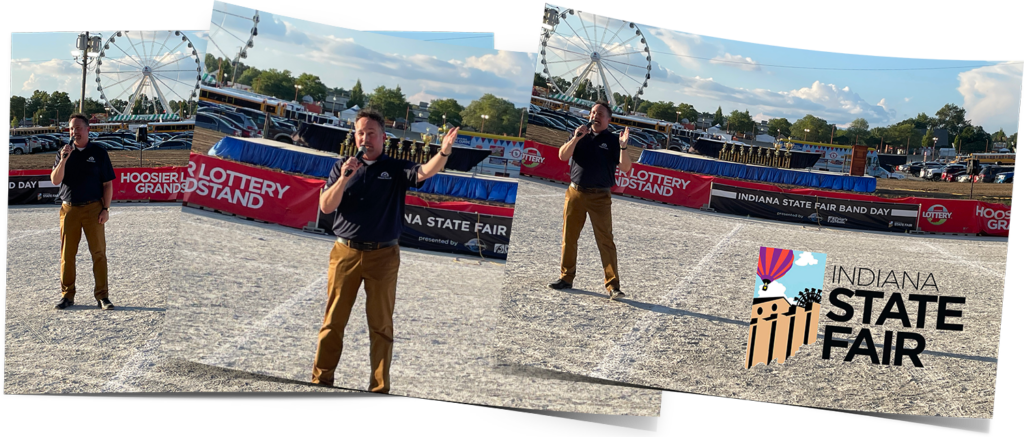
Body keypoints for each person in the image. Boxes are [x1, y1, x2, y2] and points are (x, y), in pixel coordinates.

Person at [312, 108, 459, 392]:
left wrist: (444, 152)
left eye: (371, 133)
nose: (365, 138)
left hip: (383, 257)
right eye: (360, 133)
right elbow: (326, 206)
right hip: (345, 254)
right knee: (333, 322)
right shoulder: (341, 166)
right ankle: (321, 380)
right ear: (354, 136)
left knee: (381, 327)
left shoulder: (395, 169)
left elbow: (426, 172)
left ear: (383, 137)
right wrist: (345, 177)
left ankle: (379, 387)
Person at [548, 101, 632, 300]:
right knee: (569, 237)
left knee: (606, 241)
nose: (595, 115)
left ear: (608, 119)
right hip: (575, 193)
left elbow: (626, 167)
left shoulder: (613, 141)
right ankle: (566, 278)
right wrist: (576, 138)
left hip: (600, 197)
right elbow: (562, 155)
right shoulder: (579, 134)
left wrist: (624, 146)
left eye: (600, 113)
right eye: (593, 112)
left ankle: (613, 286)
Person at [50, 113, 116, 310]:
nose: (74, 132)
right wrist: (63, 159)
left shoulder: (99, 152)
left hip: (93, 208)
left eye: (78, 128)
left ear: (88, 129)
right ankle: (67, 295)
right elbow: (55, 180)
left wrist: (105, 209)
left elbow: (107, 185)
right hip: (69, 209)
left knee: (98, 253)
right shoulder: (63, 152)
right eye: (71, 128)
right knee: (67, 255)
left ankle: (102, 297)